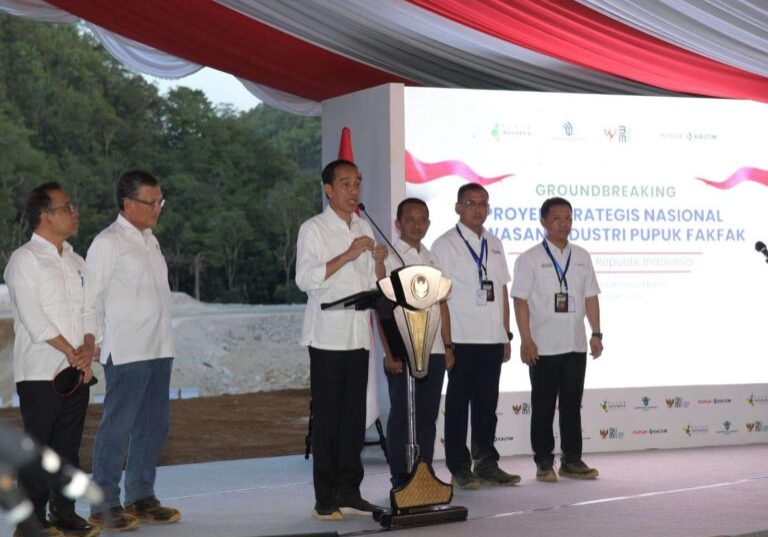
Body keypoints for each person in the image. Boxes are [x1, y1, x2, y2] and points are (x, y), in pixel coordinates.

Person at [83, 170, 178, 531]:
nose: (157, 208)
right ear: (128, 203)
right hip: (125, 349)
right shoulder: (107, 243)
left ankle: (140, 495)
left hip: (158, 346)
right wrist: (93, 338)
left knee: (155, 425)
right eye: (151, 202)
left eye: (160, 201)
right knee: (117, 427)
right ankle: (103, 502)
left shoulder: (150, 241)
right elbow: (89, 298)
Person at [4, 183, 99, 537]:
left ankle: (64, 512)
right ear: (45, 216)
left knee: (68, 447)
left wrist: (88, 346)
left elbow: (91, 311)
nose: (74, 213)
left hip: (78, 371)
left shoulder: (77, 261)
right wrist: (69, 350)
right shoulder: (24, 260)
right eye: (67, 207)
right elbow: (32, 317)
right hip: (42, 372)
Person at [295, 159, 388, 520]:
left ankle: (351, 491)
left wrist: (378, 262)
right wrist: (349, 253)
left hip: (358, 334)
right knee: (329, 419)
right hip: (328, 336)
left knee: (354, 418)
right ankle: (325, 497)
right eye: (346, 184)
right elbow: (305, 279)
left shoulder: (364, 226)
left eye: (358, 184)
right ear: (328, 189)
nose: (354, 191)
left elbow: (372, 284)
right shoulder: (314, 229)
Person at [430, 183, 519, 489]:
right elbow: (439, 296)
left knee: (486, 405)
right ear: (458, 207)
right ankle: (459, 465)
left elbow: (502, 290)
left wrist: (506, 335)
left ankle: (487, 462)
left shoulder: (494, 243)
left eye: (483, 203)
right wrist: (447, 342)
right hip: (462, 339)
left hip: (491, 339)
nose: (478, 209)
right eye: (471, 203)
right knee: (457, 406)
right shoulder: (445, 245)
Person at [510, 197, 603, 482]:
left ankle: (572, 460)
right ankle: (543, 462)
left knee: (572, 405)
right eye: (557, 219)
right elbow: (521, 301)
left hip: (575, 344)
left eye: (568, 218)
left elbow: (590, 297)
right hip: (543, 346)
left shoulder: (582, 256)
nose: (564, 224)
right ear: (543, 222)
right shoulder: (529, 259)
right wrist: (526, 340)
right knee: (543, 405)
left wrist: (596, 333)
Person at [378, 198, 451, 489]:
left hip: (433, 351)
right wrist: (389, 352)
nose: (417, 225)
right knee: (401, 417)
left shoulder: (433, 258)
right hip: (403, 350)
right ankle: (400, 477)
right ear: (398, 223)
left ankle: (424, 474)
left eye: (422, 220)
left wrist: (448, 345)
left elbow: (442, 305)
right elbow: (382, 309)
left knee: (427, 417)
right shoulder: (389, 258)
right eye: (410, 219)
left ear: (429, 224)